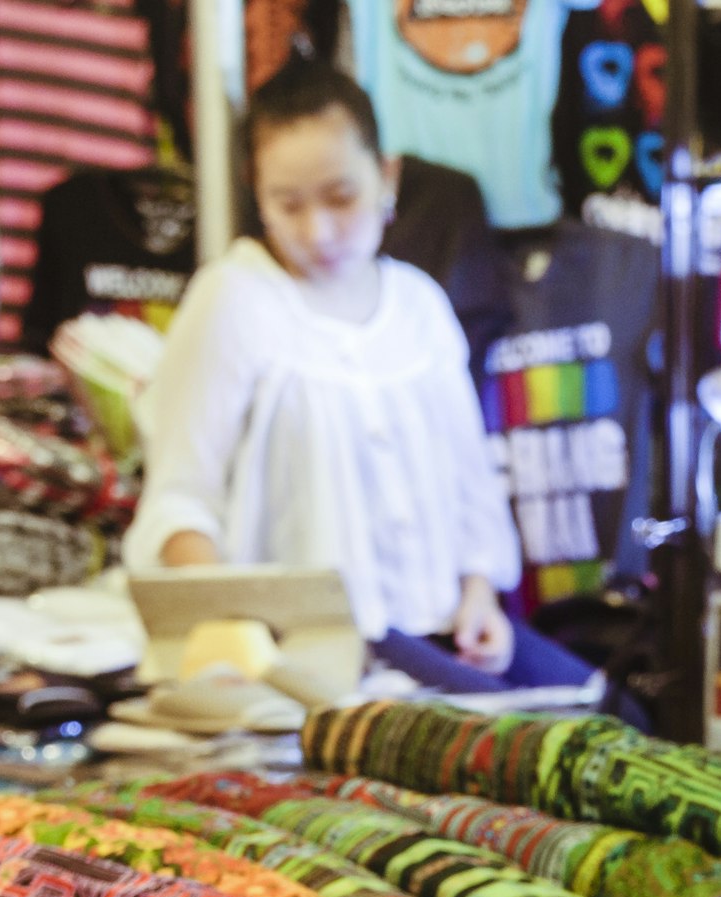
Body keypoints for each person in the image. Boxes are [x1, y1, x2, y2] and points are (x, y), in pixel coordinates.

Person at [128, 58, 607, 703]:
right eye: (288, 204)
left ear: (387, 176)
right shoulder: (233, 300)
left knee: (605, 714)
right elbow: (180, 497)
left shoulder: (420, 305)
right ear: (256, 191)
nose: (317, 231)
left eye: (340, 197)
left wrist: (479, 597)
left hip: (446, 636)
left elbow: (470, 482)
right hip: (320, 663)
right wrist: (241, 628)